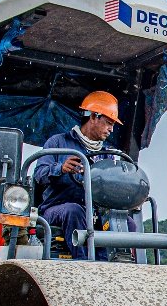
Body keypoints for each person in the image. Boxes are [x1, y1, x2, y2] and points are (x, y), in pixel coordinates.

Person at [34, 91, 122, 260]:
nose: (111, 129)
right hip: (57, 208)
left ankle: (116, 268)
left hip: (95, 212)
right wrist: (60, 168)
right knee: (74, 210)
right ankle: (83, 264)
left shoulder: (108, 154)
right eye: (109, 123)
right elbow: (39, 174)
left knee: (125, 223)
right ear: (94, 117)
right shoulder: (58, 143)